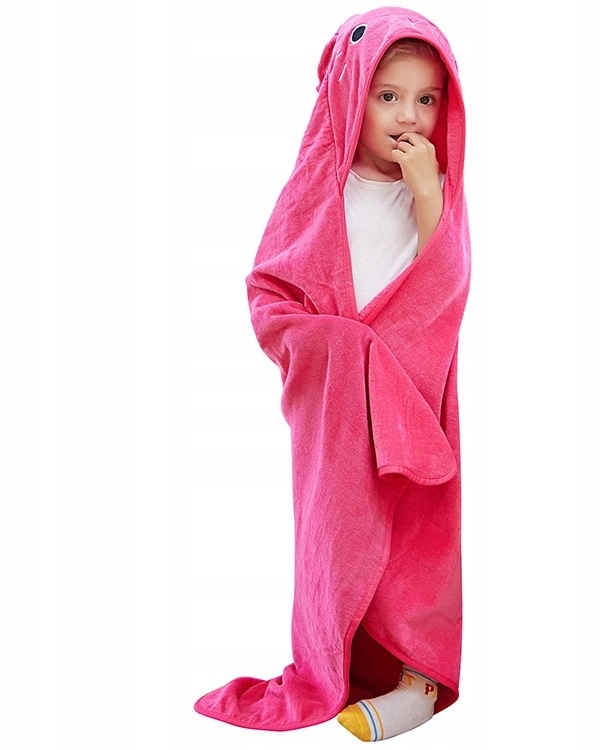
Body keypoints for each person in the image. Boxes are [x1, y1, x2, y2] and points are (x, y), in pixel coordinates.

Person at [194, 7, 471, 743]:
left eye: (426, 98)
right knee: (338, 535)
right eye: (388, 96)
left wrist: (426, 193)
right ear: (352, 92)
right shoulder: (321, 187)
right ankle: (337, 659)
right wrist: (337, 346)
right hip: (337, 404)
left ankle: (417, 678)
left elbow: (445, 288)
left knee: (414, 535)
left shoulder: (438, 187)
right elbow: (270, 291)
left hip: (412, 393)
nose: (408, 116)